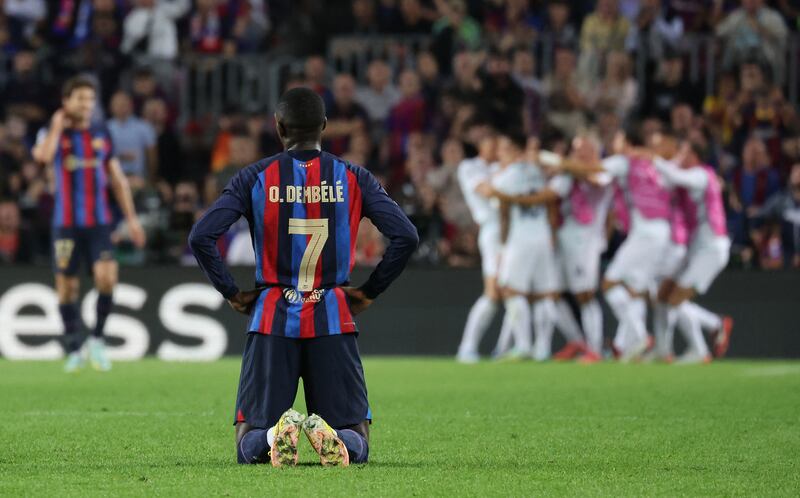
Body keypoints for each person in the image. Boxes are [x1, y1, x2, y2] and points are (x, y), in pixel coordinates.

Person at [188, 87, 418, 467]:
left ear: (279, 127)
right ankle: (337, 438)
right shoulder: (353, 176)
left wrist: (231, 291)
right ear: (325, 127)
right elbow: (406, 236)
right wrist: (369, 291)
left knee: (248, 444)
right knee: (356, 439)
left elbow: (201, 237)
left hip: (271, 316)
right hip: (332, 314)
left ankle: (275, 435)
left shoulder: (254, 176)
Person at [32, 76, 146, 372]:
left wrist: (132, 220)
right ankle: (74, 346)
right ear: (66, 101)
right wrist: (57, 125)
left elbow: (118, 179)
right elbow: (42, 156)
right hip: (66, 224)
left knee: (107, 278)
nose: (86, 105)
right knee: (66, 288)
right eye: (80, 98)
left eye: (90, 100)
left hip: (99, 222)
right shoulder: (53, 132)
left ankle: (96, 339)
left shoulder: (100, 132)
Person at [653, 140, 734, 363]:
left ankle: (709, 333)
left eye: (684, 152)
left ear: (696, 156)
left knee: (674, 299)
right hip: (696, 247)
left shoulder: (701, 174)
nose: (680, 155)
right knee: (664, 295)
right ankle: (665, 350)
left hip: (711, 248)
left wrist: (656, 159)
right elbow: (666, 182)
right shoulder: (689, 177)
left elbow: (675, 177)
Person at [490, 131, 560, 361]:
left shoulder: (505, 177)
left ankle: (523, 345)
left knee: (512, 290)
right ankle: (544, 348)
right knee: (545, 294)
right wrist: (552, 233)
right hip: (543, 235)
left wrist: (502, 245)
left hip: (519, 237)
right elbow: (551, 204)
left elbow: (504, 214)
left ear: (514, 150)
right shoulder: (541, 172)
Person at [455, 133, 501, 363]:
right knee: (493, 292)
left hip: (515, 230)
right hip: (493, 230)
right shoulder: (470, 167)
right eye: (492, 141)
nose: (496, 147)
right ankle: (467, 347)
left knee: (514, 291)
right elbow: (487, 191)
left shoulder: (502, 166)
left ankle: (505, 348)